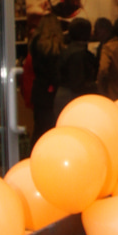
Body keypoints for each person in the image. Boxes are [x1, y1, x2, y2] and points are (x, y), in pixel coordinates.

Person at [29, 12, 64, 142]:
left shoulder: (35, 43)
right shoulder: (59, 47)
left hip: (39, 89)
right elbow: (55, 72)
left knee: (39, 128)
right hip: (54, 92)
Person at [54, 17, 98, 118]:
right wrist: (95, 85)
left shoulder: (66, 50)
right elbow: (77, 83)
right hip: (73, 97)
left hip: (63, 95)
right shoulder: (80, 54)